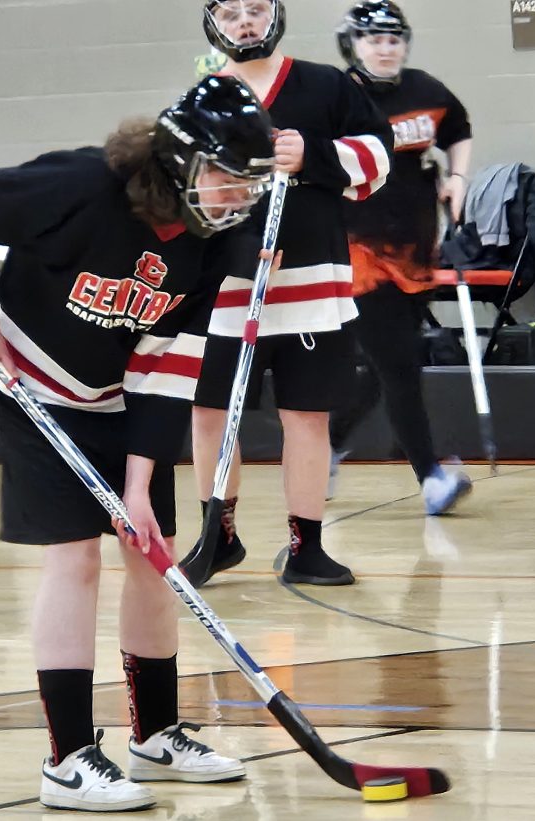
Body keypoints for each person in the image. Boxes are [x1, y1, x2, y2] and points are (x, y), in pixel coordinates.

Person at [0, 76, 277, 812]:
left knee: (150, 556)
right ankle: (67, 758)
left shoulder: (215, 240)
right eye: (226, 179)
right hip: (28, 380)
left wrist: (138, 483)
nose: (236, 198)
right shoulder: (84, 183)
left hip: (121, 397)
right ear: (181, 162)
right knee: (78, 558)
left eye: (247, 186)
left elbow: (168, 360)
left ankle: (153, 735)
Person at [190, 0, 393, 586]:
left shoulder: (326, 85)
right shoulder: (204, 100)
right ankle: (218, 536)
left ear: (275, 14)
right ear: (213, 25)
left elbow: (379, 157)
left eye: (255, 9)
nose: (245, 22)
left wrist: (315, 156)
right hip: (229, 291)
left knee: (306, 416)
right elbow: (180, 193)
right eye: (231, 15)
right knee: (211, 414)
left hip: (312, 287)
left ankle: (307, 546)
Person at [327, 1, 474, 513]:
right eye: (373, 39)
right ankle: (431, 476)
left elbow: (458, 130)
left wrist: (457, 178)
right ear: (353, 45)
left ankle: (328, 440)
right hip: (358, 250)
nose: (385, 48)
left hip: (414, 247)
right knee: (400, 364)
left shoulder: (427, 91)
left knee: (385, 362)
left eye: (393, 39)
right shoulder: (336, 97)